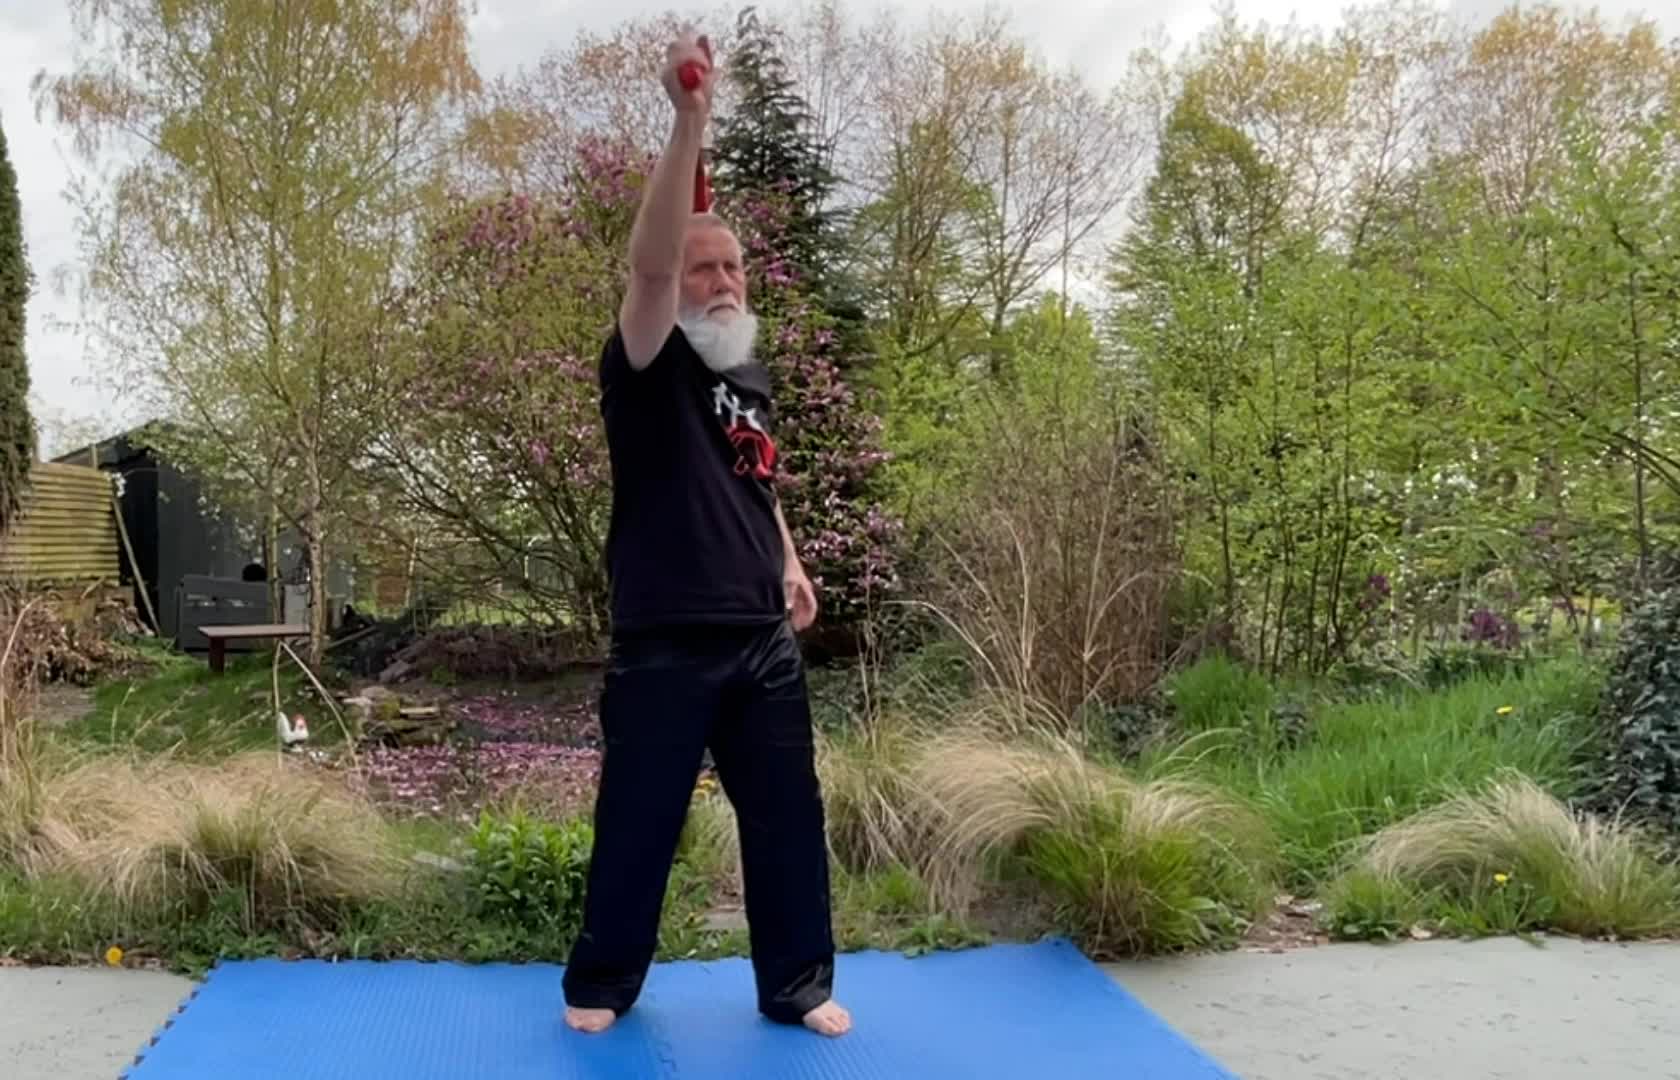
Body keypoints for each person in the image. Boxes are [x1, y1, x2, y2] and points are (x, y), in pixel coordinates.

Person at [560, 31, 852, 1040]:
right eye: (705, 268)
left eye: (734, 267)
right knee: (639, 820)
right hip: (664, 636)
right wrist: (689, 119)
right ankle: (602, 984)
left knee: (788, 819)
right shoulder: (647, 363)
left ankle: (798, 985)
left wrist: (790, 560)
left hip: (759, 636)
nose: (724, 280)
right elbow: (648, 268)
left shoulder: (744, 373)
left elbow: (755, 478)